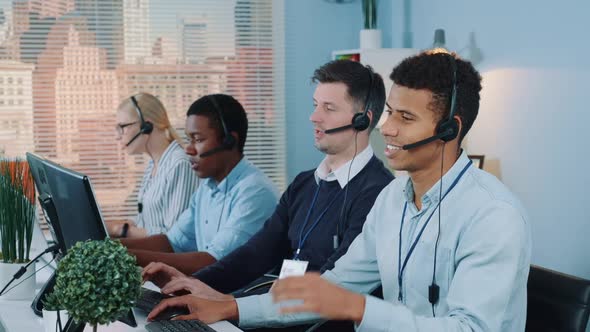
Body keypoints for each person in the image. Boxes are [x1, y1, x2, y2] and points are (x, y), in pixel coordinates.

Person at [147, 51, 532, 332]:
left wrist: (357, 307)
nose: (388, 129)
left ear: (450, 129)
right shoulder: (393, 200)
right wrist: (230, 308)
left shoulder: (493, 215)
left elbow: (471, 329)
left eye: (406, 117)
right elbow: (334, 288)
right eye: (390, 113)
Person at [142, 59, 394, 300]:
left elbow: (331, 287)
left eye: (328, 108)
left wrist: (230, 306)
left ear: (363, 120)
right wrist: (193, 285)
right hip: (277, 314)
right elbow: (256, 253)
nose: (314, 117)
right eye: (315, 105)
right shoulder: (304, 185)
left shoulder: (378, 193)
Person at [121, 94, 279, 275]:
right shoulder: (207, 187)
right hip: (206, 292)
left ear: (230, 141)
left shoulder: (254, 192)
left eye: (198, 139)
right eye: (189, 139)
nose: (188, 149)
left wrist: (124, 255)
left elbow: (212, 262)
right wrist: (108, 246)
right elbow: (172, 242)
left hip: (238, 299)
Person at [107, 92, 199, 238]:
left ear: (147, 126)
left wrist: (121, 230)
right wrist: (113, 225)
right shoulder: (154, 163)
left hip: (164, 258)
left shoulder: (179, 165)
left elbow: (173, 237)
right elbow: (148, 219)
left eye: (122, 127)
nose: (117, 136)